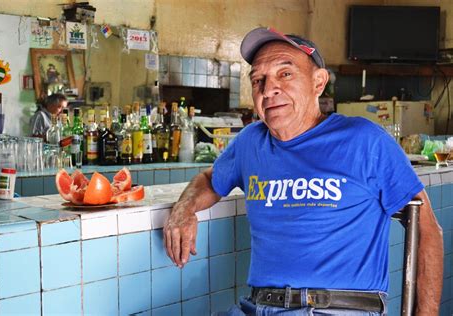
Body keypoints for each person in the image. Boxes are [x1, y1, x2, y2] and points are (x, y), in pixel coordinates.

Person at [163, 27, 443, 315]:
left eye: (285, 74)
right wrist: (185, 209)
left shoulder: (364, 140)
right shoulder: (250, 141)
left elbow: (427, 229)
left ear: (318, 82)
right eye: (258, 79)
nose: (268, 89)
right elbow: (210, 179)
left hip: (334, 308)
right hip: (256, 307)